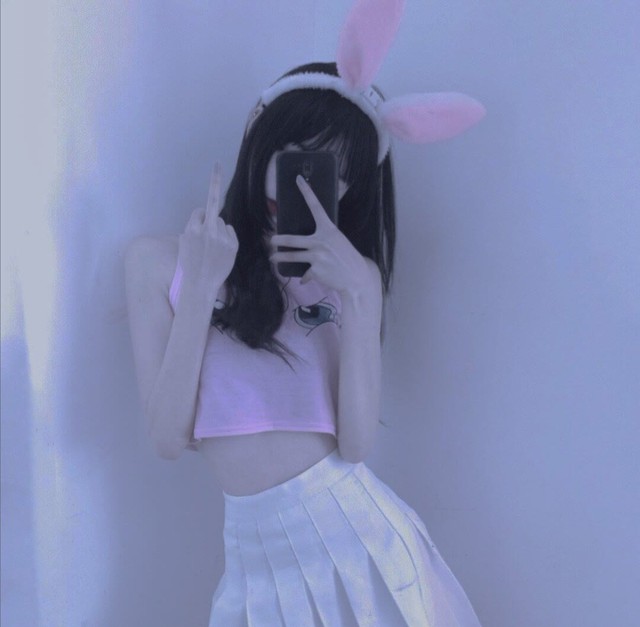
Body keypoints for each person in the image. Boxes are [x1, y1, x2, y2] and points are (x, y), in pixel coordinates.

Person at [125, 2, 486, 624]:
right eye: (294, 154)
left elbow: (356, 443)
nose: (301, 185)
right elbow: (166, 438)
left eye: (333, 173)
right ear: (257, 134)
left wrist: (362, 294)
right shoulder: (157, 262)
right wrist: (203, 287)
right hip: (252, 555)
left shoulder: (347, 278)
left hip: (353, 537)